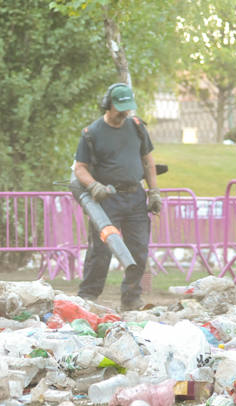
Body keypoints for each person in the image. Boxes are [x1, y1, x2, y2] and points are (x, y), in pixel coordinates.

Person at [72, 82, 160, 311]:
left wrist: (154, 192)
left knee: (138, 250)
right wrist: (94, 186)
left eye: (127, 108)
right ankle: (88, 296)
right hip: (106, 201)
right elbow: (80, 167)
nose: (124, 113)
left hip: (135, 198)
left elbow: (148, 162)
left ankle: (131, 299)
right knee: (100, 252)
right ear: (108, 104)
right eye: (120, 108)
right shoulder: (92, 133)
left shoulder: (138, 127)